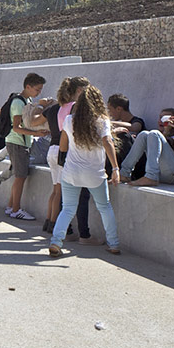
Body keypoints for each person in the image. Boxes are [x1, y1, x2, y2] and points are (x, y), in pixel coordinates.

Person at [49, 85, 122, 257]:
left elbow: (63, 146)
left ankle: (55, 242)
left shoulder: (69, 120)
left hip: (71, 172)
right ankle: (114, 244)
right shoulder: (102, 120)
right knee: (104, 207)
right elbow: (108, 142)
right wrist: (116, 168)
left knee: (67, 209)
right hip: (94, 173)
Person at [41, 77, 89, 238]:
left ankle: (49, 222)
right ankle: (57, 226)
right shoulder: (74, 107)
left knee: (55, 190)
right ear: (79, 91)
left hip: (52, 150)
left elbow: (34, 120)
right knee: (61, 193)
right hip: (64, 150)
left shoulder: (56, 107)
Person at [0, 72, 47, 220]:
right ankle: (16, 209)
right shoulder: (19, 103)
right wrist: (35, 134)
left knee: (19, 175)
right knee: (20, 177)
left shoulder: (27, 100)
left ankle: (11, 206)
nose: (39, 92)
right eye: (37, 89)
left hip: (19, 142)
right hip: (17, 143)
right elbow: (17, 127)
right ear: (28, 86)